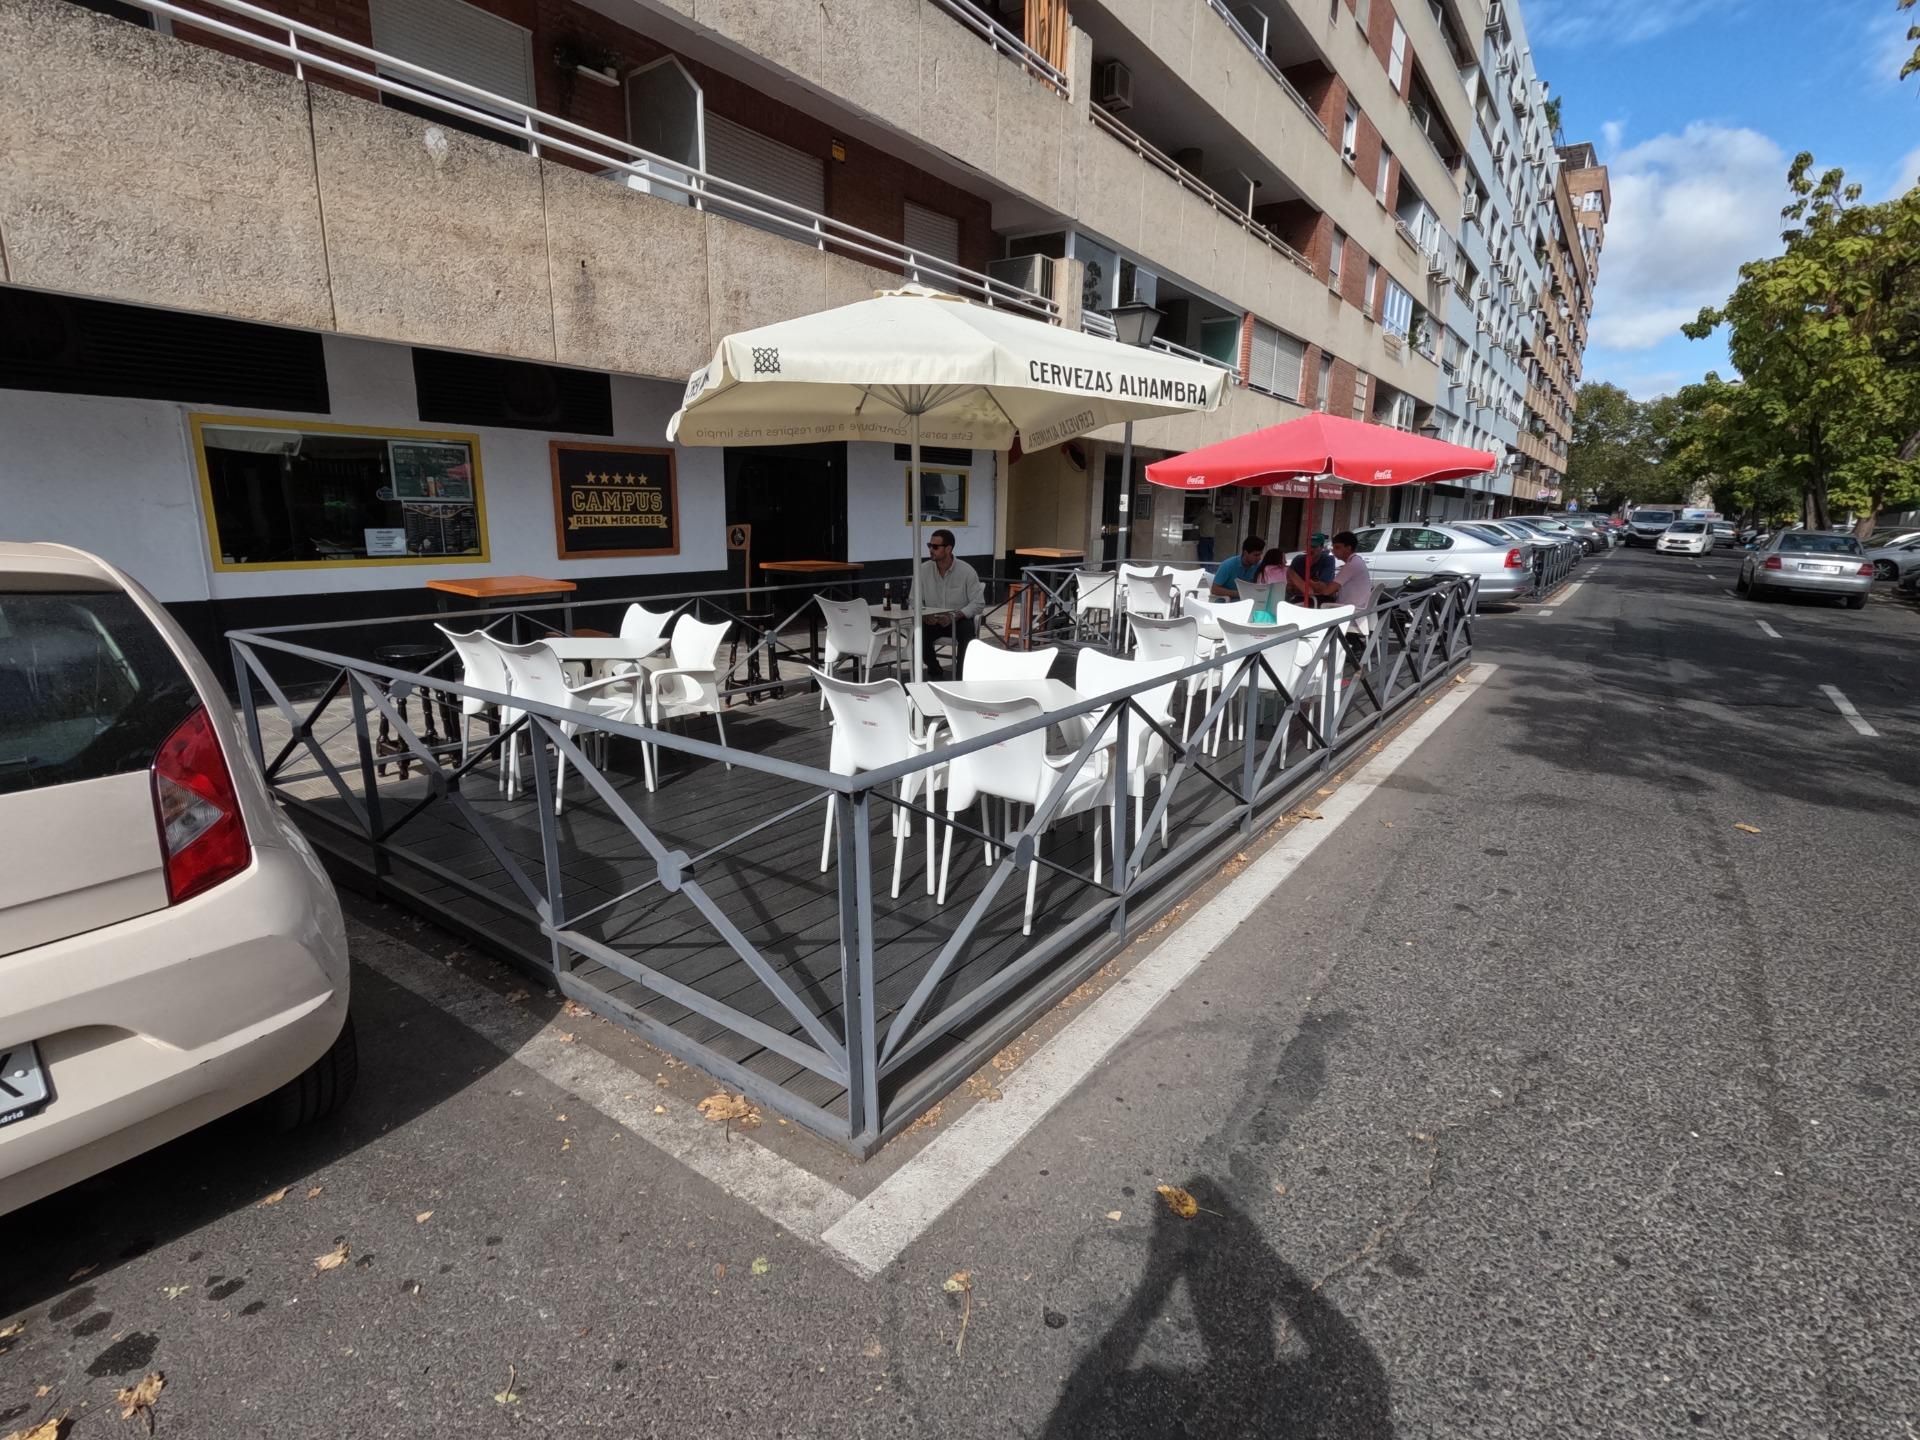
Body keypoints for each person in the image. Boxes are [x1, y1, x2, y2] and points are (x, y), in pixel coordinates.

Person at [915, 528, 984, 680]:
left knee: (968, 635)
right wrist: (925, 614)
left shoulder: (966, 571)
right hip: (932, 619)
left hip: (958, 619)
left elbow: (978, 603)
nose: (930, 550)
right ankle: (935, 671)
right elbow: (914, 600)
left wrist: (956, 615)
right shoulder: (922, 570)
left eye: (935, 546)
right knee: (917, 635)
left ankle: (961, 679)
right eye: (929, 545)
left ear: (948, 549)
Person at [1283, 532, 1338, 605]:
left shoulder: (1328, 560)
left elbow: (1323, 588)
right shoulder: (1298, 560)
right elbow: (1290, 588)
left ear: (1322, 547)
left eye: (1314, 547)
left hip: (1321, 602)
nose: (1310, 549)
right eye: (1309, 546)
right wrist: (1312, 584)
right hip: (1298, 600)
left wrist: (1298, 581)